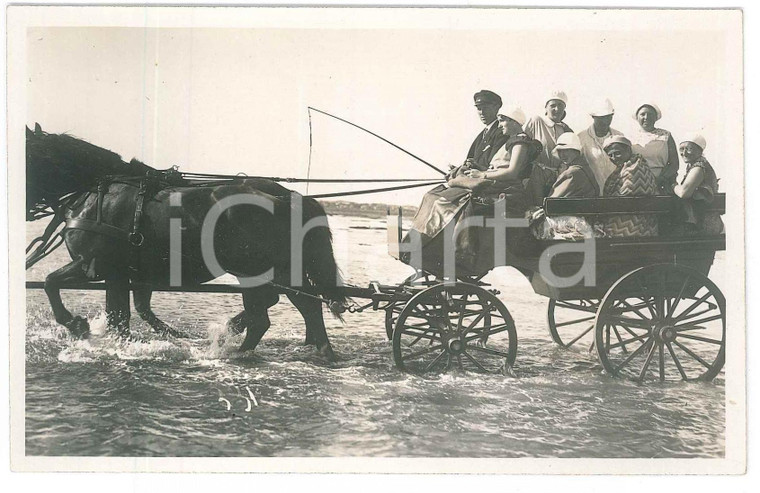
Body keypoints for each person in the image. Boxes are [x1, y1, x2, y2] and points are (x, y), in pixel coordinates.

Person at [402, 104, 540, 276]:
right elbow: (499, 168)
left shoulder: (520, 141)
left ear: (513, 121)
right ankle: (426, 247)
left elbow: (513, 172)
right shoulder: (511, 141)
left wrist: (482, 174)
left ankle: (459, 253)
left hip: (505, 190)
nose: (501, 124)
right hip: (494, 185)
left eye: (502, 120)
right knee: (434, 197)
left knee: (445, 201)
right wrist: (477, 170)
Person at [529, 133, 599, 240]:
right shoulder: (584, 168)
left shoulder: (572, 173)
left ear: (576, 151)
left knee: (530, 218)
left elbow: (551, 203)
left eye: (567, 150)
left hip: (576, 222)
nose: (562, 155)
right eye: (560, 151)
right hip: (586, 218)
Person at [601, 135, 658, 237]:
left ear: (628, 149)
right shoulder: (628, 165)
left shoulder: (635, 168)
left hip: (637, 225)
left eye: (617, 153)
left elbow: (627, 198)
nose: (614, 158)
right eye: (610, 155)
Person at [523, 90, 574, 205]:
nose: (556, 109)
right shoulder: (536, 121)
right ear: (546, 108)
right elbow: (523, 145)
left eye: (560, 105)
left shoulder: (565, 129)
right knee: (537, 210)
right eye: (552, 105)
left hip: (558, 176)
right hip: (536, 175)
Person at [672, 134, 723, 234]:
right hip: (702, 222)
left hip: (705, 225)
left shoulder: (700, 166)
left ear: (700, 151)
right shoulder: (694, 165)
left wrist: (672, 185)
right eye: (681, 149)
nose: (684, 153)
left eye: (689, 148)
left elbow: (683, 192)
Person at [629, 103, 679, 193]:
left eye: (650, 114)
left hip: (662, 183)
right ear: (637, 117)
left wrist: (661, 179)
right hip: (637, 183)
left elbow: (674, 163)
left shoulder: (666, 135)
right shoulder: (630, 137)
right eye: (642, 114)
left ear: (656, 117)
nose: (646, 117)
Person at [577, 98, 623, 193]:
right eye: (601, 117)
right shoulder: (581, 138)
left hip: (615, 192)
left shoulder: (619, 136)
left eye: (608, 117)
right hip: (590, 193)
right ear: (593, 117)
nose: (605, 121)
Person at [463, 90, 510, 172]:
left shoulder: (502, 132)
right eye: (479, 108)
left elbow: (495, 166)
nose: (482, 112)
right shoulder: (483, 134)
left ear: (497, 107)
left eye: (486, 108)